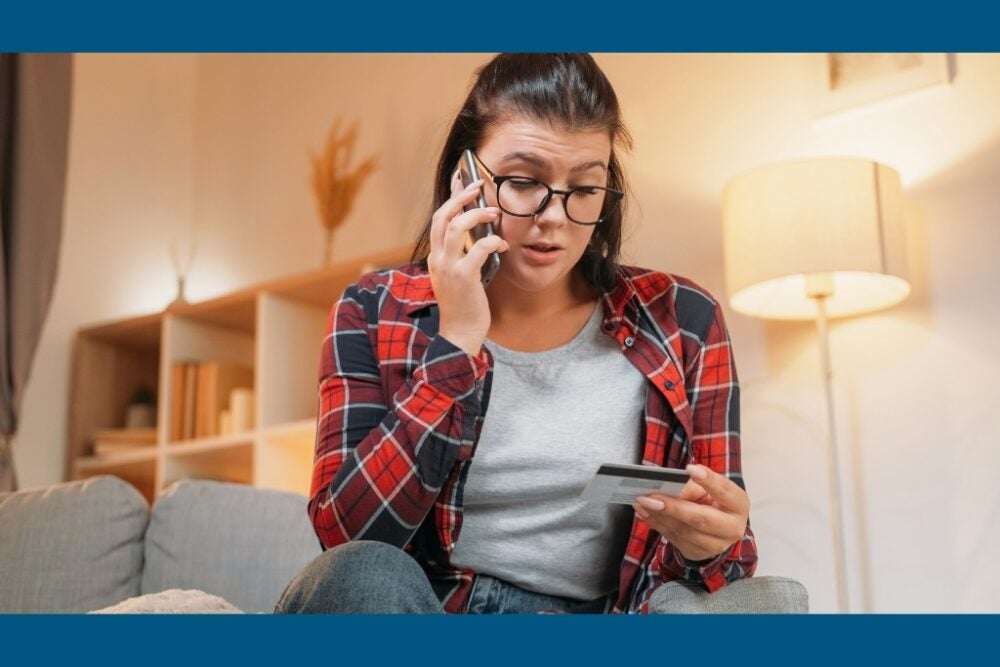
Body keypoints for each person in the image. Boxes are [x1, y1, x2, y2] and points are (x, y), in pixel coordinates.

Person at [275, 53, 757, 615]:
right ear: (466, 180)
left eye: (585, 188)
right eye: (525, 181)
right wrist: (456, 342)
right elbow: (346, 537)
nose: (554, 216)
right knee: (362, 574)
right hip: (428, 612)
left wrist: (718, 543)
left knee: (765, 604)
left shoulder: (685, 318)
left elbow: (731, 560)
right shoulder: (373, 310)